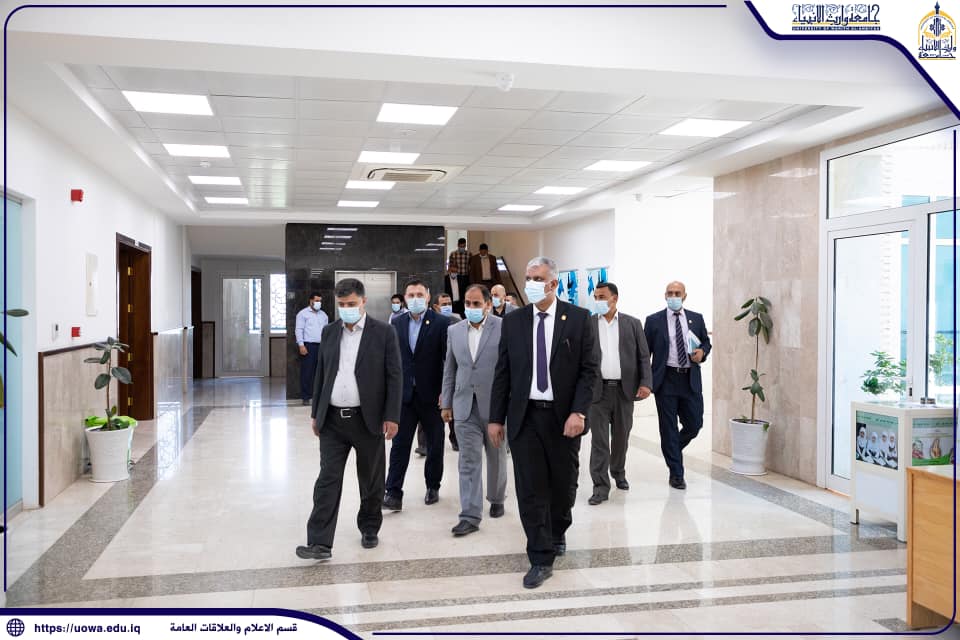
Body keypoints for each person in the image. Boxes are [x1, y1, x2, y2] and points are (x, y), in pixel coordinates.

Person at [489, 256, 600, 589]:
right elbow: (503, 372)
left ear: (553, 283)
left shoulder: (578, 319)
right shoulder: (514, 321)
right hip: (524, 418)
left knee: (563, 486)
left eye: (537, 279)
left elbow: (589, 371)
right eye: (528, 278)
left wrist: (579, 412)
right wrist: (495, 418)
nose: (531, 284)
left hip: (563, 418)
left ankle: (557, 529)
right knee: (530, 488)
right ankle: (540, 556)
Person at [295, 278, 402, 561]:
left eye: (352, 303)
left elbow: (394, 376)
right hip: (332, 420)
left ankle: (369, 527)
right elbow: (321, 373)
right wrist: (316, 413)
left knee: (371, 480)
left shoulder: (384, 332)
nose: (347, 308)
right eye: (342, 304)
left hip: (368, 419)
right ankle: (319, 542)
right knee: (327, 480)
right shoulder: (330, 332)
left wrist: (392, 416)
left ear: (363, 301)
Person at [441, 285, 508, 537]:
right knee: (468, 461)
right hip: (464, 404)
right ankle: (469, 514)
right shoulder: (454, 331)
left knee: (496, 455)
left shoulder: (503, 327)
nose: (471, 308)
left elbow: (510, 367)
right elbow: (450, 369)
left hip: (495, 404)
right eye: (468, 303)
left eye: (476, 304)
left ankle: (497, 497)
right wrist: (447, 403)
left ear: (488, 305)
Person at [385, 279, 451, 510]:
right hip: (405, 396)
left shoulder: (442, 323)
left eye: (419, 295)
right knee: (399, 445)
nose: (415, 299)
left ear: (428, 297)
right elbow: (393, 361)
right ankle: (393, 492)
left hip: (433, 396)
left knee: (435, 444)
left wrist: (445, 392)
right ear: (405, 298)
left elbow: (448, 361)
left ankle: (433, 486)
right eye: (411, 295)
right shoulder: (397, 322)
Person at [587, 282, 653, 505]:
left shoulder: (632, 324)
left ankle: (618, 471)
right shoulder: (588, 324)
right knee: (599, 441)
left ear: (614, 299)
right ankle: (600, 486)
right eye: (596, 297)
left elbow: (643, 356)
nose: (598, 301)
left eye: (602, 297)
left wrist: (646, 383)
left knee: (621, 437)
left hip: (625, 391)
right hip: (597, 392)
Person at [644, 281, 711, 490]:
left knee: (695, 424)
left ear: (684, 296)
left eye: (677, 293)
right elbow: (645, 353)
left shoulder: (696, 318)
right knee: (668, 428)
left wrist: (702, 352)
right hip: (666, 380)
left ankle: (672, 448)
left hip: (690, 379)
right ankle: (676, 474)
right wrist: (645, 381)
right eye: (670, 293)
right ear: (665, 295)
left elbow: (706, 342)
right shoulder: (653, 321)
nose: (673, 296)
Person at [295, 292, 329, 406]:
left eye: (320, 301)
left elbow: (326, 331)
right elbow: (299, 330)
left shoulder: (323, 315)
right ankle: (306, 397)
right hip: (308, 346)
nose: (319, 303)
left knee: (321, 373)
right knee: (307, 373)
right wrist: (301, 345)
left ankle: (320, 396)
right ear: (311, 301)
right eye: (317, 301)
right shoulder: (303, 314)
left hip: (322, 346)